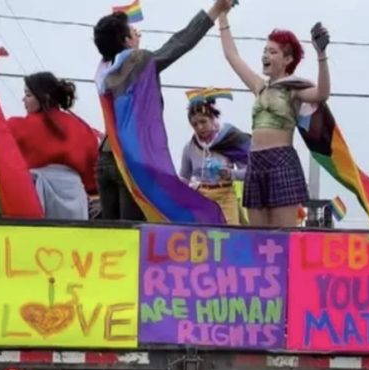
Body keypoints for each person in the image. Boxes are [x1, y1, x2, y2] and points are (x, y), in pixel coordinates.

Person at [92, 0, 235, 221]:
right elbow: (179, 44)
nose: (138, 33)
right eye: (133, 31)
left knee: (111, 236)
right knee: (134, 233)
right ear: (126, 41)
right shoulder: (138, 61)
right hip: (131, 160)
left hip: (105, 157)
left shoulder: (103, 71)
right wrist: (215, 10)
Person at [0, 72, 100, 220]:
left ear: (45, 97)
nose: (23, 100)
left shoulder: (21, 126)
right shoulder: (82, 127)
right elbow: (92, 171)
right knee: (70, 245)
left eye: (28, 95)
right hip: (74, 197)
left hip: (35, 196)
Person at [217, 14, 331, 227]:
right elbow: (232, 55)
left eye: (272, 51)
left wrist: (321, 55)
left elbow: (322, 93)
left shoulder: (294, 89)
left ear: (287, 60)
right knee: (257, 238)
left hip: (281, 162)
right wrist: (222, 15)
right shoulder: (260, 86)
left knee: (283, 237)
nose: (265, 55)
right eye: (265, 51)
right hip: (256, 163)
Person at [180, 94, 250, 225]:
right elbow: (184, 178)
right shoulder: (189, 148)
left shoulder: (229, 140)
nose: (200, 127)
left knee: (230, 235)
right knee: (203, 237)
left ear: (213, 118)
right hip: (201, 197)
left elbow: (250, 171)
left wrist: (231, 174)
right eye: (195, 124)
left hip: (226, 196)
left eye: (203, 121)